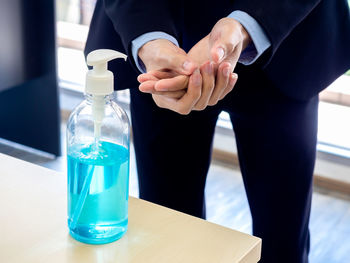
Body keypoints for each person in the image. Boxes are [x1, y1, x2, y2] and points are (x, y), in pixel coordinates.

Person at [85, 0, 350, 262]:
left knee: (282, 237)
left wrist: (246, 25)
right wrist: (151, 41)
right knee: (168, 230)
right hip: (162, 50)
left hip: (286, 41)